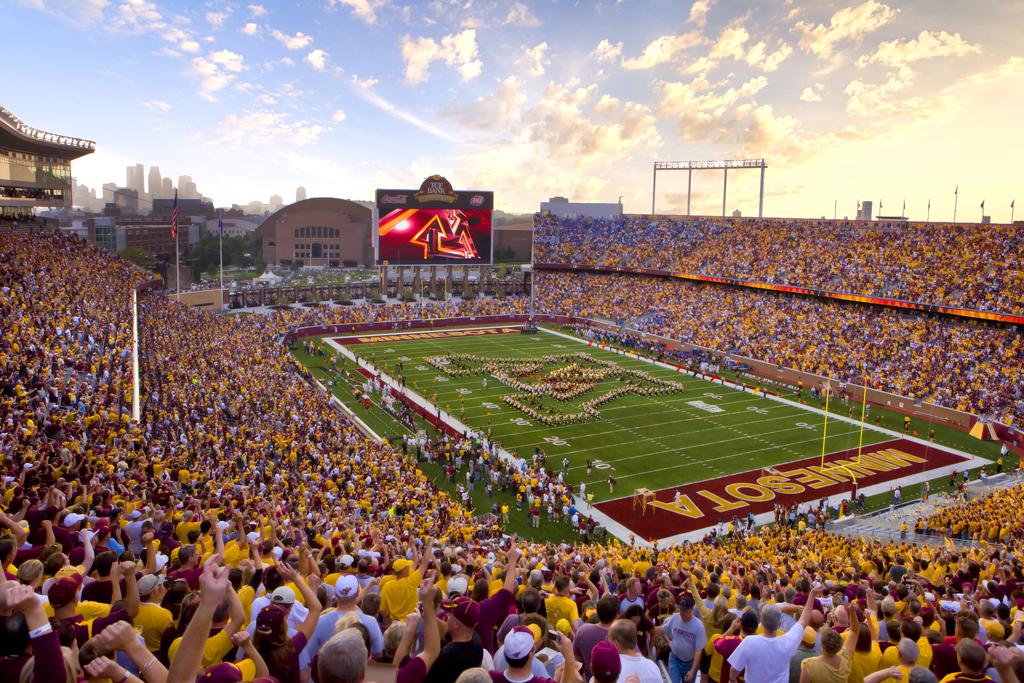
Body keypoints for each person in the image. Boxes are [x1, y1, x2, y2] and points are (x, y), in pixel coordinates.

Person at [727, 587, 820, 683]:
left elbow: (735, 669)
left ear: (761, 621)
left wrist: (732, 680)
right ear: (779, 623)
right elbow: (803, 620)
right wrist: (812, 595)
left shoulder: (749, 641)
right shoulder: (787, 642)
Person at [665, 595, 706, 683]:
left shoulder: (698, 626)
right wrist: (650, 628)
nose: (681, 612)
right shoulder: (675, 618)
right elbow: (664, 629)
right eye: (681, 609)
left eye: (684, 610)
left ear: (691, 610)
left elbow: (699, 651)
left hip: (690, 664)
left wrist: (693, 670)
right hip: (674, 659)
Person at [610, 618, 662, 683]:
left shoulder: (610, 670)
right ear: (636, 640)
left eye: (609, 640)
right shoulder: (652, 667)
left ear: (616, 644)